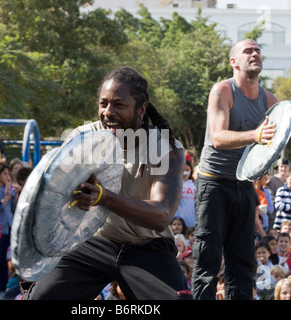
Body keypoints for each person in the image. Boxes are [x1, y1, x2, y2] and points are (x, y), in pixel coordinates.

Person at [23, 66, 192, 300]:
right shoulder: (82, 138)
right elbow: (51, 197)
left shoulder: (165, 148)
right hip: (92, 241)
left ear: (141, 109)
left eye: (119, 105)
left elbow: (161, 215)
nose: (108, 112)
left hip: (146, 247)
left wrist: (103, 197)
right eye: (103, 104)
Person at [192, 39, 278, 300]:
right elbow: (218, 137)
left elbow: (271, 143)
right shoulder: (223, 90)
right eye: (247, 51)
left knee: (241, 262)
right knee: (208, 259)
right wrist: (255, 135)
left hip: (245, 185)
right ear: (233, 61)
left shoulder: (270, 100)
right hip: (214, 183)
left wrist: (265, 164)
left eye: (257, 51)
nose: (255, 54)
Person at [0, 162, 17, 292]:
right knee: (0, 258)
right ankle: (0, 286)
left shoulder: (9, 188)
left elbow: (12, 208)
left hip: (9, 227)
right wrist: (7, 197)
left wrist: (13, 194)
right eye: (4, 174)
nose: (7, 176)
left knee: (8, 258)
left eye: (8, 174)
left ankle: (6, 285)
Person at [268, 158, 290, 227]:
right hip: (274, 217)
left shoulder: (289, 180)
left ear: (288, 168)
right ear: (278, 168)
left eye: (285, 166)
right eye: (281, 166)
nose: (283, 169)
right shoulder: (271, 180)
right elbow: (270, 197)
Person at [174, 159, 196, 228]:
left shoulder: (195, 185)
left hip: (192, 223)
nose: (185, 172)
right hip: (176, 224)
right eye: (182, 170)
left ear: (191, 171)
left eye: (187, 170)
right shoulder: (173, 184)